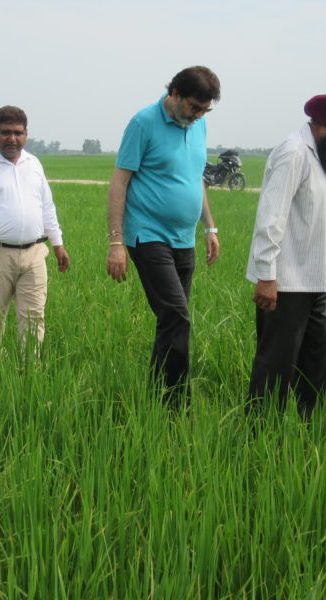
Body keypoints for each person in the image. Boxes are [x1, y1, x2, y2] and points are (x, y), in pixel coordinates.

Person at [247, 90, 326, 417]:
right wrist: (266, 276)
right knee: (276, 366)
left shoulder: (320, 158)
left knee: (319, 361)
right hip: (285, 284)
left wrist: (322, 278)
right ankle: (260, 436)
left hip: (313, 283)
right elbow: (270, 219)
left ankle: (308, 429)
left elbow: (316, 224)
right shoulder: (294, 153)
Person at [106, 66, 221, 406]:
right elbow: (119, 182)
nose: (198, 115)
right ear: (174, 94)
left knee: (171, 321)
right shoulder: (143, 123)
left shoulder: (198, 126)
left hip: (183, 238)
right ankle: (176, 404)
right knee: (177, 316)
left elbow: (195, 179)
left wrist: (210, 226)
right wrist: (115, 242)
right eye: (193, 108)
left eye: (205, 110)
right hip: (147, 234)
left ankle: (156, 397)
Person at [0, 106, 70, 354]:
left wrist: (58, 244)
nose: (12, 139)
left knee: (34, 317)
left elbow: (47, 207)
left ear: (26, 134)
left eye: (18, 133)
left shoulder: (34, 164)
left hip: (35, 253)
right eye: (6, 132)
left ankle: (30, 371)